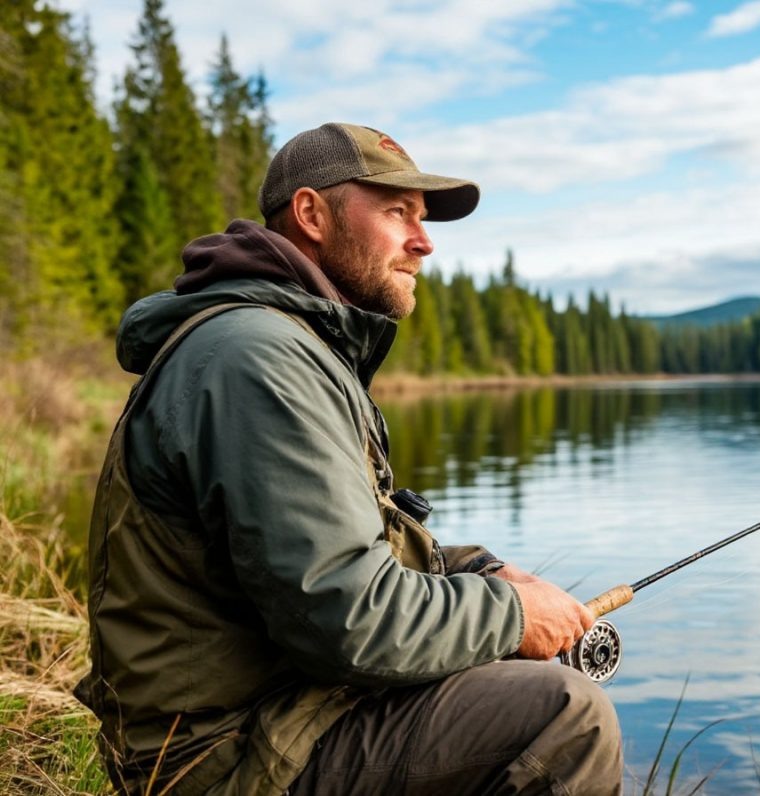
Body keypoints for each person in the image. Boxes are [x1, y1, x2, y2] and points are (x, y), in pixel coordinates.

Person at [76, 122, 623, 795]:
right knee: (566, 716)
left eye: (421, 219)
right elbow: (345, 617)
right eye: (398, 213)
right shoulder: (258, 358)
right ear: (311, 214)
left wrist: (479, 570)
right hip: (219, 758)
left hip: (280, 713)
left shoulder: (287, 346)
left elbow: (340, 552)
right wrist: (512, 614)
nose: (423, 242)